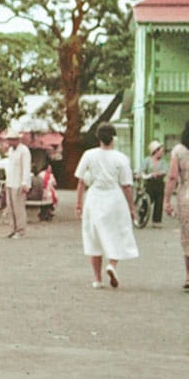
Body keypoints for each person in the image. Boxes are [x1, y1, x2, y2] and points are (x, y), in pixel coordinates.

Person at [75, 122, 138, 289]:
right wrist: (132, 207)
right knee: (117, 232)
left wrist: (78, 204)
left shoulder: (89, 155)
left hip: (94, 197)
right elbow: (126, 185)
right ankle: (112, 264)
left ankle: (97, 278)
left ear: (98, 138)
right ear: (114, 138)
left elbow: (81, 181)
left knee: (93, 236)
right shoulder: (121, 158)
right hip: (114, 197)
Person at [163, 121, 189, 291]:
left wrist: (166, 200)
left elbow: (172, 176)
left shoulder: (179, 150)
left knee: (187, 237)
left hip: (186, 195)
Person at [3, 130, 32, 239]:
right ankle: (13, 229)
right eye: (9, 139)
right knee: (10, 207)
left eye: (12, 139)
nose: (10, 142)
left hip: (19, 183)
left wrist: (25, 183)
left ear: (17, 140)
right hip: (10, 181)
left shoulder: (24, 150)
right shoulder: (10, 151)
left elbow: (26, 167)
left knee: (18, 208)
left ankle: (20, 230)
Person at [138, 140, 167, 228]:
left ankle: (156, 221)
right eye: (160, 151)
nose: (162, 153)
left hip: (159, 183)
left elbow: (165, 170)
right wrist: (143, 175)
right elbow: (141, 171)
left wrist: (159, 173)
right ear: (155, 151)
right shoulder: (147, 160)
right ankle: (141, 217)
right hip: (150, 183)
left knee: (159, 202)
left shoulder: (163, 162)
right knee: (146, 202)